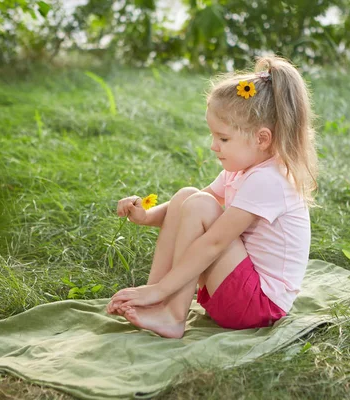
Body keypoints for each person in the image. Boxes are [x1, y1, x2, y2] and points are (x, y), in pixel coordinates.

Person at [106, 55, 318, 339]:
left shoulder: (270, 179)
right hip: (237, 289)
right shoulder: (242, 170)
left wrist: (163, 286)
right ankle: (157, 302)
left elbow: (214, 241)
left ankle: (171, 312)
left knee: (200, 205)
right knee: (186, 196)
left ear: (262, 139)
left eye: (223, 138)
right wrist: (146, 216)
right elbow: (186, 209)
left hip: (259, 305)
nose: (213, 146)